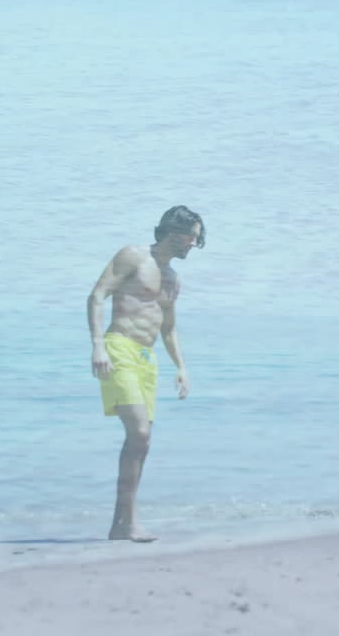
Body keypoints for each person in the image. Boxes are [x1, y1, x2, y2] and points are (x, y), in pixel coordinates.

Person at [86, 205, 204, 542]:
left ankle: (121, 525)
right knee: (138, 432)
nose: (193, 245)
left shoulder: (172, 279)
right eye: (191, 238)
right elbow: (97, 295)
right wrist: (98, 345)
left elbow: (168, 327)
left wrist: (181, 367)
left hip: (146, 358)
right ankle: (126, 523)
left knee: (142, 442)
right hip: (119, 347)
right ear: (174, 232)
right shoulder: (133, 256)